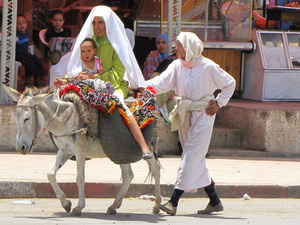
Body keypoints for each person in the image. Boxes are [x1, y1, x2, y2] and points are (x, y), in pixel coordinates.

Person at [146, 31, 236, 215]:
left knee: (190, 154)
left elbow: (230, 83)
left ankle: (174, 201)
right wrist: (141, 85)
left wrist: (219, 103)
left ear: (189, 47)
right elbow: (160, 83)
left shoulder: (208, 66)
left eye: (179, 45)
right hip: (185, 113)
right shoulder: (176, 66)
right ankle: (214, 200)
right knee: (195, 158)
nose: (176, 49)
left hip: (203, 114)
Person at [66, 6, 153, 160]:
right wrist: (69, 78)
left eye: (101, 22)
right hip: (91, 85)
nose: (97, 26)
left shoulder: (117, 45)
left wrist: (93, 77)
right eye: (94, 23)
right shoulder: (89, 44)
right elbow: (79, 65)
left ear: (108, 24)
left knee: (120, 105)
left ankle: (143, 146)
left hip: (115, 85)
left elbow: (116, 74)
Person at [16, 14, 45, 88]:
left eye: (23, 22)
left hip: (25, 53)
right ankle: (28, 81)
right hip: (18, 54)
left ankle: (37, 79)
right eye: (19, 23)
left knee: (36, 60)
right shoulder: (15, 35)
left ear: (26, 23)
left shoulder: (26, 33)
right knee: (29, 63)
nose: (22, 25)